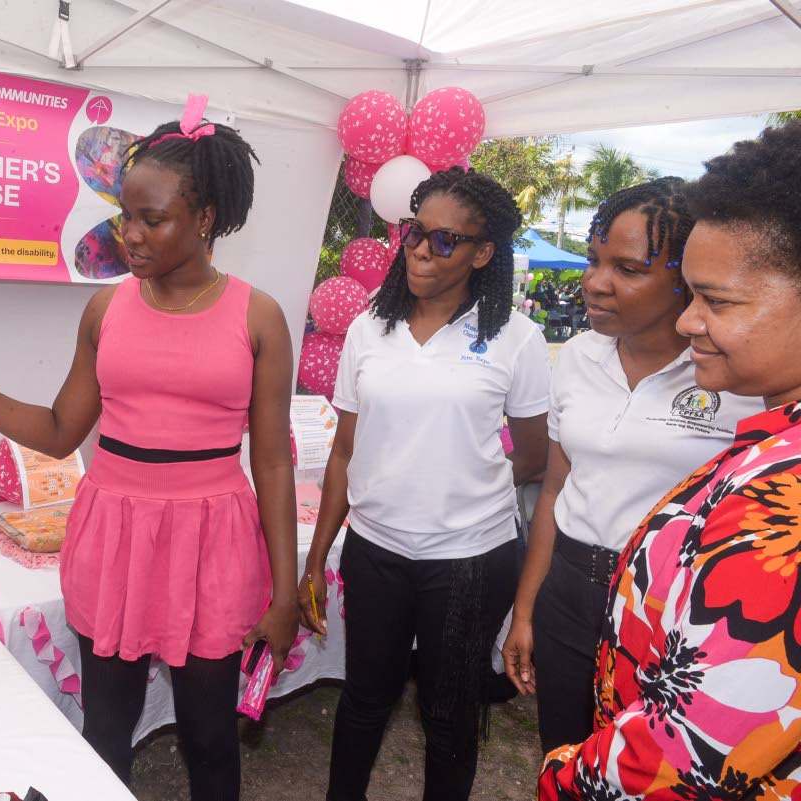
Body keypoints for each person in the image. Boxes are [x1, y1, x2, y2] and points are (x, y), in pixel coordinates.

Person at [0, 96, 300, 801]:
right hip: (115, 532)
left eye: (151, 218)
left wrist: (284, 592)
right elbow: (63, 428)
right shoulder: (107, 308)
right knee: (105, 729)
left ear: (206, 219)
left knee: (210, 739)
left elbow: (274, 461)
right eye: (126, 214)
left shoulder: (257, 315)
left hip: (211, 540)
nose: (130, 233)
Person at [538, 119, 801, 798]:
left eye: (715, 299)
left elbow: (689, 753)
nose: (691, 322)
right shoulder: (772, 435)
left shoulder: (783, 500)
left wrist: (560, 778)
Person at [299, 166, 551, 801]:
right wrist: (316, 555)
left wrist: (457, 480)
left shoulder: (515, 338)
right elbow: (344, 450)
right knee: (363, 702)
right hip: (376, 550)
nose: (419, 249)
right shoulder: (368, 329)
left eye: (444, 241)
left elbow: (532, 455)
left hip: (469, 559)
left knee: (449, 716)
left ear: (483, 252)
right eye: (415, 232)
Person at [500, 178, 762, 756]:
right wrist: (526, 609)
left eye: (628, 268)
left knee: (653, 767)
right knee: (566, 754)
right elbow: (554, 492)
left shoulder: (742, 381)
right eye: (595, 261)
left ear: (685, 280)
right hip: (568, 589)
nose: (595, 282)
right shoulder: (575, 358)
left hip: (670, 611)